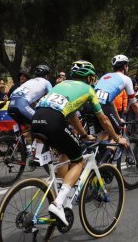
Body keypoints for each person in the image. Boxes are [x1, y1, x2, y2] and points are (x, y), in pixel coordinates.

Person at [32, 60, 128, 226]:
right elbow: (103, 119)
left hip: (36, 121)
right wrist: (117, 137)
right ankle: (58, 204)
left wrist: (84, 135)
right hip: (53, 122)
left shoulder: (60, 85)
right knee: (78, 160)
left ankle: (62, 192)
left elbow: (73, 117)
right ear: (89, 77)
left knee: (65, 152)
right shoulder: (89, 89)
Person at [93, 55, 138, 131]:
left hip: (91, 104)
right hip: (103, 105)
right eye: (127, 66)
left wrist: (118, 119)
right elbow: (134, 103)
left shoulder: (105, 76)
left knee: (104, 133)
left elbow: (111, 102)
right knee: (117, 132)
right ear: (125, 66)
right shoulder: (126, 79)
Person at [7, 65, 53, 138]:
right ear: (46, 75)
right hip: (22, 105)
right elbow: (52, 97)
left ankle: (19, 144)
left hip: (10, 106)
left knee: (29, 126)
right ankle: (36, 147)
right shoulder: (46, 82)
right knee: (42, 124)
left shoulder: (29, 81)